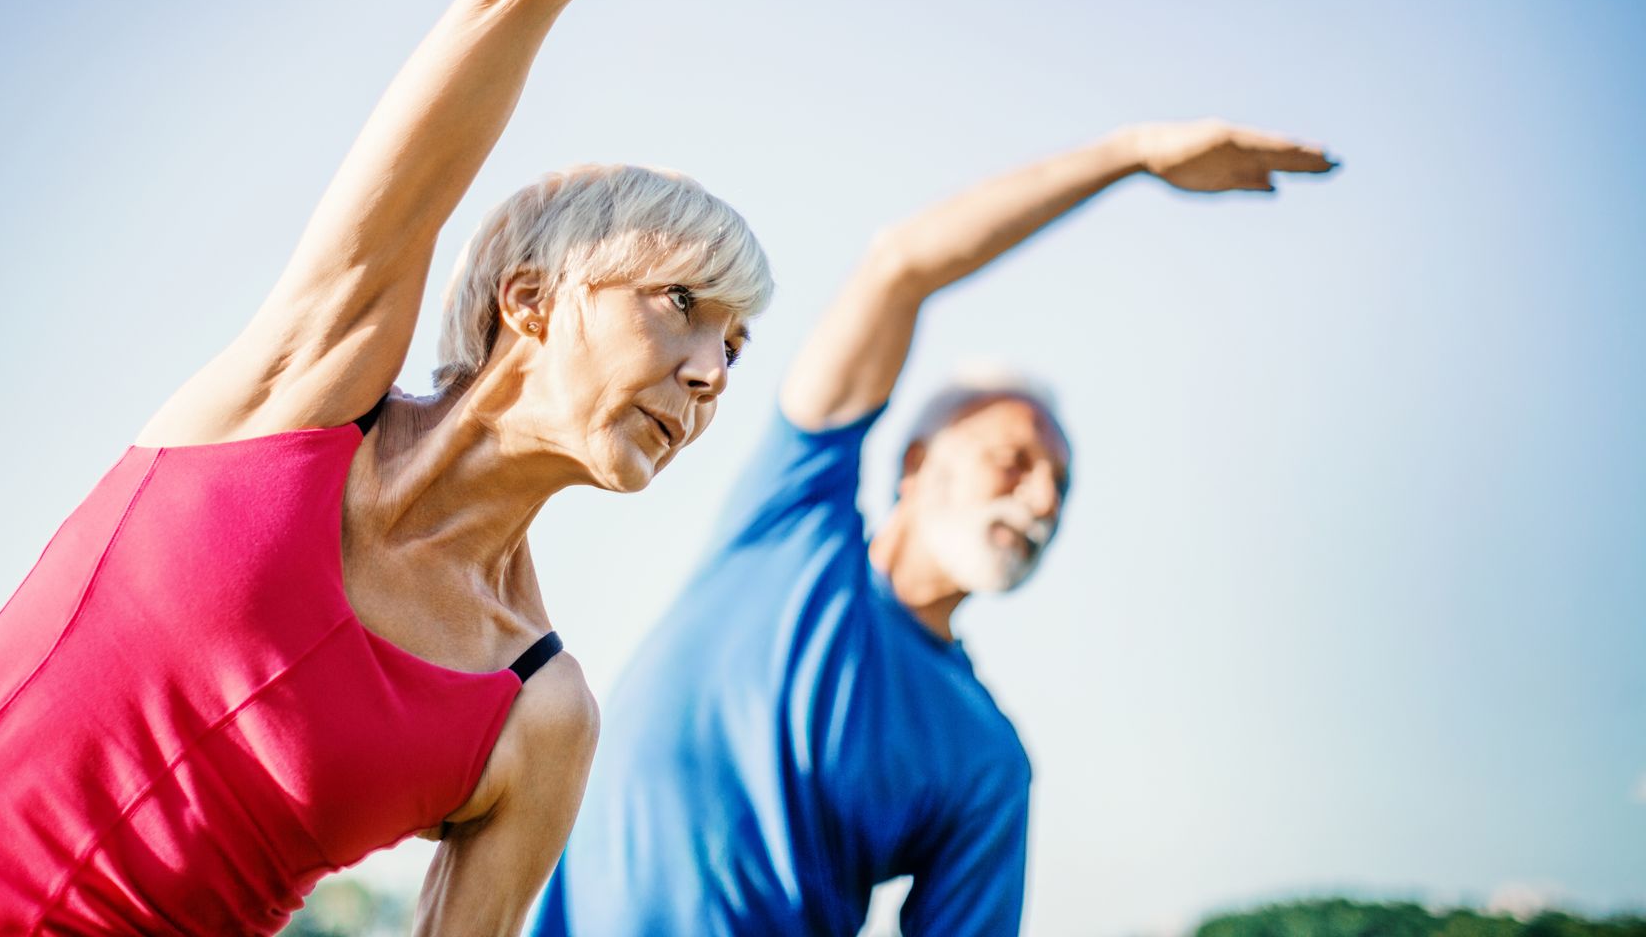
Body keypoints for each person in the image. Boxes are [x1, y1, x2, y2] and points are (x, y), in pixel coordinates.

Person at [0, 0, 1058, 937]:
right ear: (531, 297)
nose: (714, 371)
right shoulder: (297, 392)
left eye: (736, 347)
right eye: (683, 306)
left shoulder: (538, 718)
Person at [535, 120, 1337, 936]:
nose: (1042, 503)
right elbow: (900, 267)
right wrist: (1129, 157)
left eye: (1062, 487)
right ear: (916, 464)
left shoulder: (987, 762)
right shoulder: (790, 522)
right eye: (1014, 462)